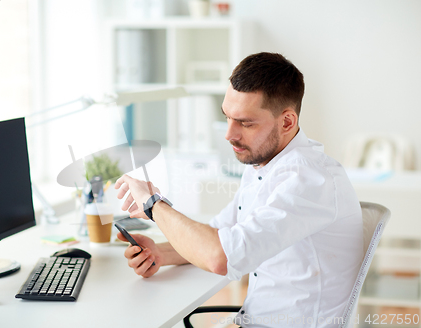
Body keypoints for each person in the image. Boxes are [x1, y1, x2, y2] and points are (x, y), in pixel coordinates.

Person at [114, 52, 363, 328]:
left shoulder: (309, 179)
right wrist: (162, 253)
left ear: (287, 122)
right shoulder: (263, 162)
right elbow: (222, 231)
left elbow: (221, 256)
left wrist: (153, 204)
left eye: (245, 122)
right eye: (227, 117)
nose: (229, 134)